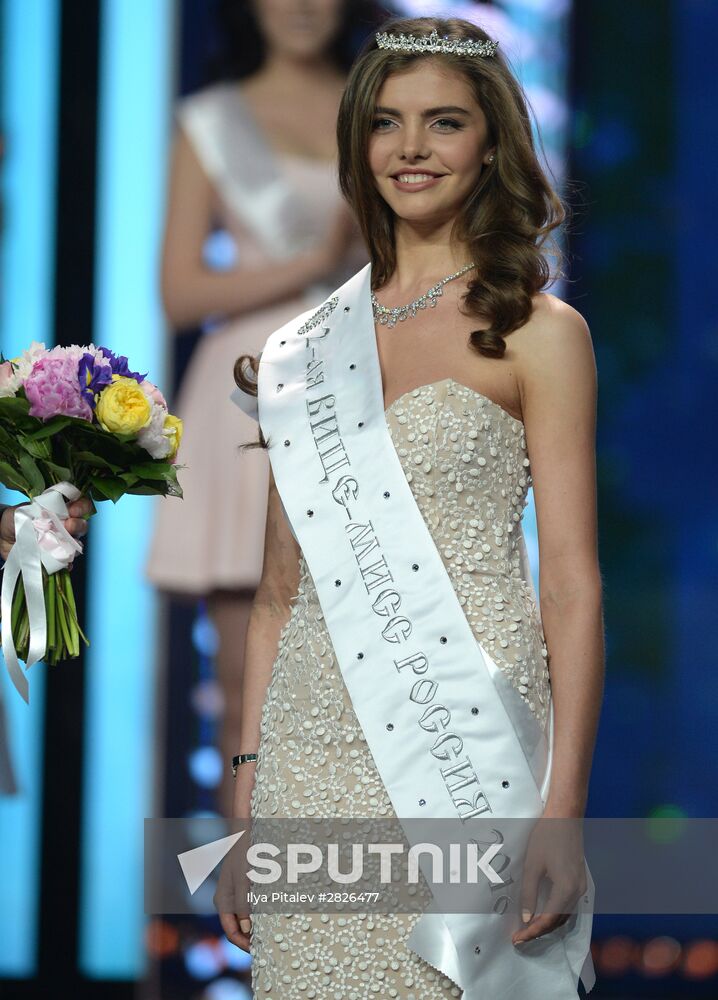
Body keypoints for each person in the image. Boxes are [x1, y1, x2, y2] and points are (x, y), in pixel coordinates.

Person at [220, 15, 603, 999]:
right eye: (387, 123)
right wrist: (246, 793)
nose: (411, 148)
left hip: (466, 739)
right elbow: (275, 595)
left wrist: (562, 808)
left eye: (444, 122)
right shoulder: (304, 350)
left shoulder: (539, 332)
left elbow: (570, 585)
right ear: (358, 143)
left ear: (492, 144)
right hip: (311, 744)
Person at [143, 0, 380, 814]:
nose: (303, 7)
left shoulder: (384, 107)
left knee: (368, 668)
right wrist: (314, 260)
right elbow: (179, 292)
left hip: (366, 374)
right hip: (250, 391)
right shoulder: (209, 122)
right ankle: (249, 870)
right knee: (248, 674)